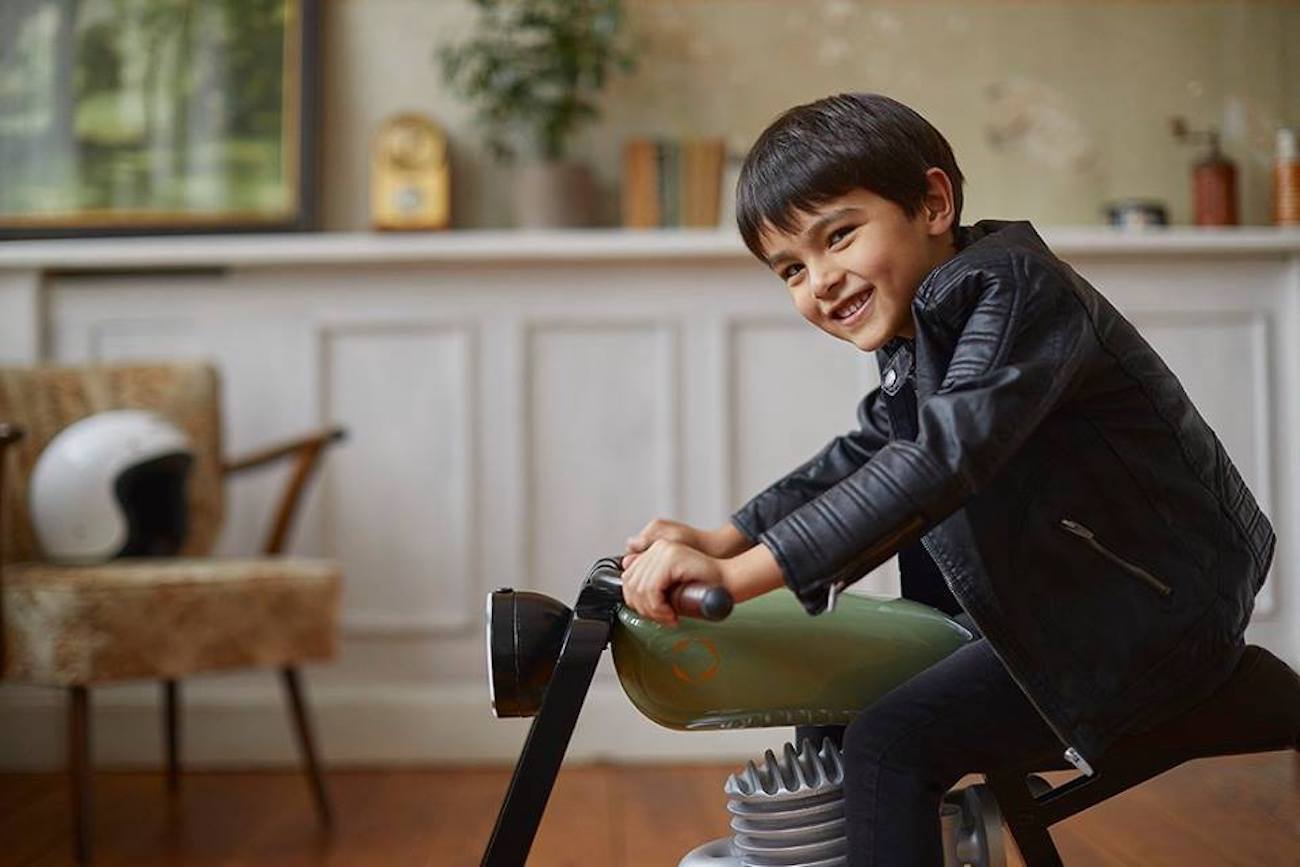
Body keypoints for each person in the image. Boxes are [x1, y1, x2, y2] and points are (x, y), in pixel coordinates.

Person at [618, 92, 1275, 865]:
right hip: (1054, 603)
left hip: (1144, 612)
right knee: (832, 695)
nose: (820, 281)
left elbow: (937, 459)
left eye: (840, 236)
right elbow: (867, 448)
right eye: (792, 267)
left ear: (932, 203)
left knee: (890, 745)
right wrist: (722, 534)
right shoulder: (921, 329)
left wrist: (738, 573)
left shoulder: (1017, 292)